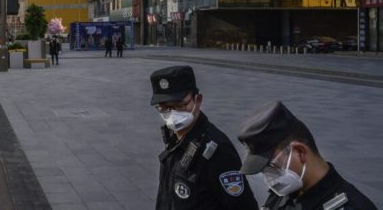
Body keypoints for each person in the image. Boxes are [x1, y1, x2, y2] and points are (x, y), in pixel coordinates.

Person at [150, 65, 258, 210]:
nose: (173, 114)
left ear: (198, 100)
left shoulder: (217, 149)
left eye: (180, 105)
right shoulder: (174, 139)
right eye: (164, 108)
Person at [237, 101, 376, 210]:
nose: (269, 177)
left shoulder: (351, 206)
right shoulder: (285, 193)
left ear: (300, 152)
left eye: (271, 166)